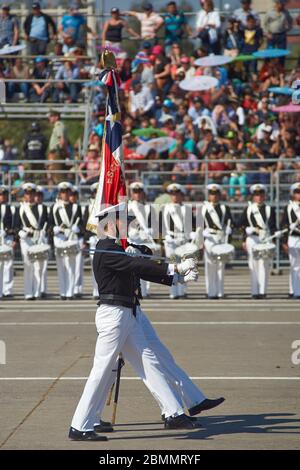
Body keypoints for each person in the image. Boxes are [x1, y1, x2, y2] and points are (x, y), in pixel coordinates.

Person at [69, 203, 199, 441]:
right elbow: (134, 264)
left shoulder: (118, 249)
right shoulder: (106, 248)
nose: (127, 225)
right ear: (110, 224)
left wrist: (177, 277)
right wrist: (174, 266)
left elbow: (142, 267)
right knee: (101, 370)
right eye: (123, 221)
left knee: (148, 361)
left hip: (127, 314)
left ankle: (174, 413)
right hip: (114, 315)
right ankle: (79, 425)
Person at [238, 184, 278, 299]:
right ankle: (254, 292)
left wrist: (274, 240)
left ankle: (262, 291)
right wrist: (245, 233)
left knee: (264, 266)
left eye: (261, 194)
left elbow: (273, 226)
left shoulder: (270, 209)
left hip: (265, 239)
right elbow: (240, 224)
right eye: (256, 195)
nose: (259, 197)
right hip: (252, 239)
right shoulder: (249, 209)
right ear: (253, 196)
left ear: (264, 195)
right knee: (253, 265)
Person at [13, 183, 48, 300]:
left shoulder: (42, 208)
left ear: (35, 194)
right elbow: (16, 225)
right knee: (28, 265)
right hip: (26, 240)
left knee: (38, 266)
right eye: (27, 194)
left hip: (38, 239)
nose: (30, 196)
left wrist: (44, 232)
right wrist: (20, 233)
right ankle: (28, 293)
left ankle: (37, 292)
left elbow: (46, 224)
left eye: (32, 193)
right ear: (25, 195)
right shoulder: (21, 208)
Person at [49, 181, 82, 300]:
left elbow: (82, 225)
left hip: (72, 239)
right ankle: (63, 292)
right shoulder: (54, 207)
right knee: (61, 266)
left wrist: (78, 229)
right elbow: (49, 224)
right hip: (59, 239)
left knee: (71, 266)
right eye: (62, 192)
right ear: (59, 193)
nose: (65, 194)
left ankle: (70, 292)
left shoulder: (75, 207)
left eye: (67, 192)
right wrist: (54, 229)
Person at [163, 183, 195, 299]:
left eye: (177, 194)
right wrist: (164, 236)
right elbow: (160, 225)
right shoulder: (166, 208)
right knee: (172, 266)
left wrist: (193, 233)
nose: (175, 197)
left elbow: (193, 224)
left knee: (184, 266)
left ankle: (182, 291)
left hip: (183, 240)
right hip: (171, 240)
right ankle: (173, 291)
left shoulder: (187, 209)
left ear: (182, 195)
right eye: (173, 194)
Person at [202, 184, 233, 299]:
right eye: (211, 194)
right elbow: (198, 225)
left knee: (221, 266)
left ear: (219, 195)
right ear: (208, 195)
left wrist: (229, 231)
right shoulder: (204, 208)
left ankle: (220, 292)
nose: (213, 196)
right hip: (209, 238)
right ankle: (210, 292)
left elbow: (230, 223)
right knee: (210, 266)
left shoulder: (225, 208)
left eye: (216, 194)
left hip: (221, 238)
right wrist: (201, 236)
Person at [128, 181, 157, 298]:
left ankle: (145, 291)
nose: (137, 195)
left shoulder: (149, 208)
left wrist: (151, 230)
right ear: (131, 193)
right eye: (135, 192)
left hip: (144, 241)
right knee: (132, 267)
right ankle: (132, 290)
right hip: (132, 240)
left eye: (139, 192)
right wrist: (130, 232)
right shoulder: (127, 207)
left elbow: (154, 225)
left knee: (145, 266)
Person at [281, 183, 300, 299]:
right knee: (294, 266)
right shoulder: (289, 207)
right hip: (293, 238)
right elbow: (283, 225)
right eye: (297, 192)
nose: (299, 195)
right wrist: (284, 241)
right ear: (293, 194)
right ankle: (294, 290)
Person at [82, 182, 98, 299]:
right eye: (95, 192)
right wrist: (87, 238)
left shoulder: (108, 204)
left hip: (106, 237)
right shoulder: (88, 206)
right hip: (94, 238)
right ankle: (96, 290)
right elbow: (85, 224)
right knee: (95, 265)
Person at [47, 109, 70, 186]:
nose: (49, 118)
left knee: (59, 176)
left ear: (56, 117)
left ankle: (62, 191)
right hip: (56, 153)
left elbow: (62, 140)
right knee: (54, 174)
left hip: (58, 153)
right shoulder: (58, 125)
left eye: (51, 116)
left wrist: (63, 152)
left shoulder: (58, 125)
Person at [69, 185, 84, 298]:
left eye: (75, 195)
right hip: (68, 239)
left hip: (78, 238)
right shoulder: (62, 207)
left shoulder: (79, 208)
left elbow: (83, 224)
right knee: (70, 266)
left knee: (78, 266)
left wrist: (79, 229)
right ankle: (70, 288)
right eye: (71, 195)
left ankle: (77, 289)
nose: (73, 197)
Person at [0, 185, 14, 299]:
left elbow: (14, 224)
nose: (2, 197)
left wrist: (12, 235)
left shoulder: (12, 208)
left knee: (8, 265)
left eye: (4, 195)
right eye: (1, 195)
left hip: (8, 238)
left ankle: (7, 290)